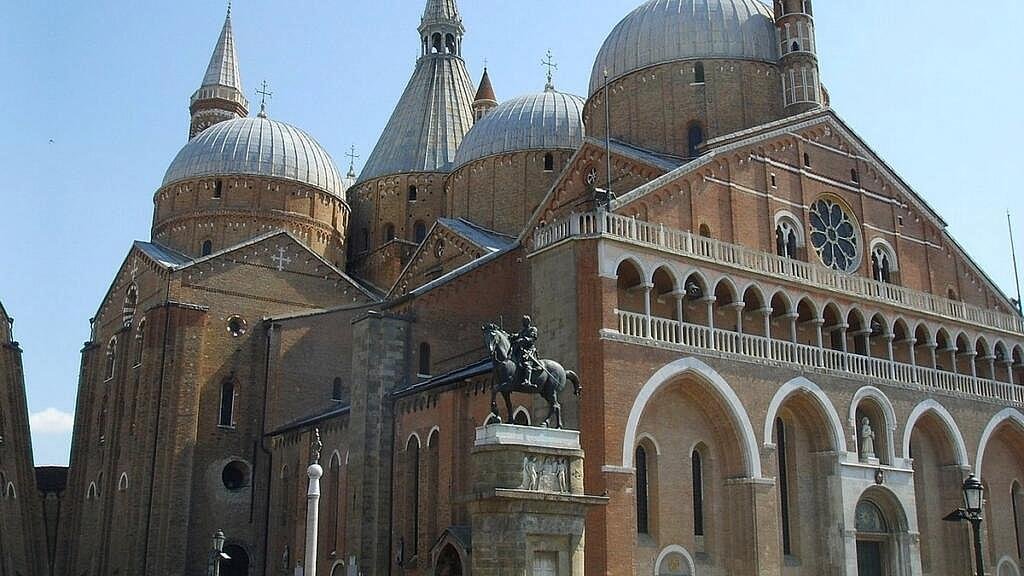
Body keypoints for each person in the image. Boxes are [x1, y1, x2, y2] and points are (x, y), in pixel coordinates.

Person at [511, 315, 542, 390]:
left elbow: (533, 338)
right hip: (521, 350)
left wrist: (524, 339)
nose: (524, 323)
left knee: (526, 363)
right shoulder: (522, 331)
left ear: (528, 322)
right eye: (523, 322)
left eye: (525, 322)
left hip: (529, 350)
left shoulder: (533, 329)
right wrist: (511, 336)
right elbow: (517, 335)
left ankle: (527, 381)